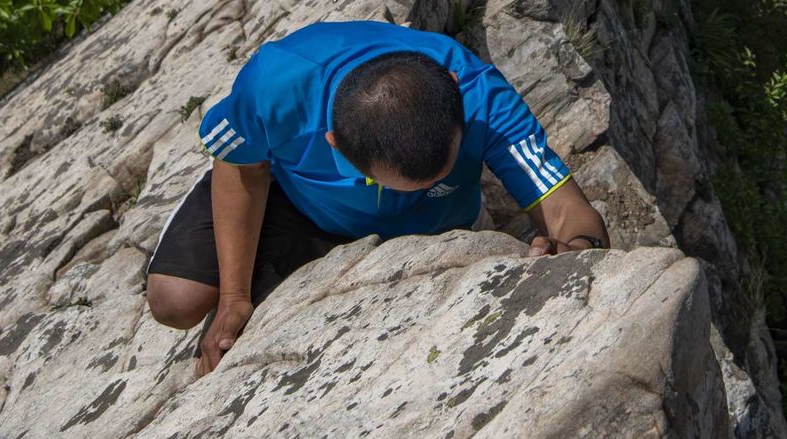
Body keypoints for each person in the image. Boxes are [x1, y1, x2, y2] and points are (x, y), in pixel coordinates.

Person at [145, 20, 609, 375]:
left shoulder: (478, 94)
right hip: (291, 196)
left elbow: (566, 208)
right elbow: (239, 164)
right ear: (333, 143)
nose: (426, 189)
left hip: (431, 229)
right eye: (407, 185)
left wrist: (576, 254)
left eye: (439, 175)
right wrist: (233, 296)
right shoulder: (276, 87)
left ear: (451, 90)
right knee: (175, 300)